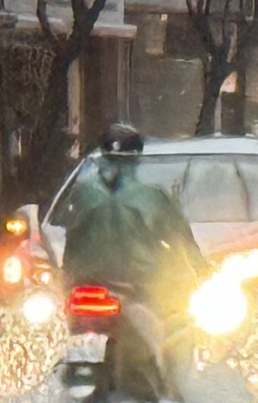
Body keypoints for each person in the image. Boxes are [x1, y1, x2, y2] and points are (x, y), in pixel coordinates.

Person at [60, 122, 208, 316]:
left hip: (87, 283)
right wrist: (201, 269)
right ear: (136, 158)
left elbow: (70, 233)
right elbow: (179, 237)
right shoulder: (153, 197)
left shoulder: (81, 192)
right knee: (178, 324)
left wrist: (67, 279)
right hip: (141, 285)